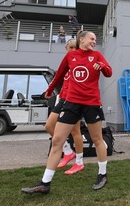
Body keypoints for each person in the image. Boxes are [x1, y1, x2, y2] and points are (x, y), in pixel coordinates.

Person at [21, 31, 113, 194]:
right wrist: (49, 90)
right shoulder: (70, 56)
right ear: (81, 39)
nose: (94, 41)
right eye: (91, 38)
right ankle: (45, 183)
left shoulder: (97, 55)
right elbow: (59, 76)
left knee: (98, 139)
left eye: (95, 39)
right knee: (57, 139)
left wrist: (103, 66)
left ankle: (102, 174)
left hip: (92, 103)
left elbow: (109, 72)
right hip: (71, 103)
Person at [44, 38, 84, 174]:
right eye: (70, 48)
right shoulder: (66, 63)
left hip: (74, 101)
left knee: (75, 131)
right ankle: (67, 151)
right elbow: (58, 79)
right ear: (66, 48)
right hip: (62, 99)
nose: (73, 50)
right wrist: (50, 90)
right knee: (49, 125)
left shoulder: (78, 63)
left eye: (75, 48)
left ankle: (79, 162)